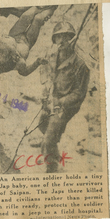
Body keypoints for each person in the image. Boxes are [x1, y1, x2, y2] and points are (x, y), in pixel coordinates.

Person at [37, 21, 90, 173]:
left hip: (67, 105)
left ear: (72, 39)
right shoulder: (52, 56)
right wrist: (46, 88)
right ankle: (51, 143)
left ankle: (52, 165)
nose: (62, 42)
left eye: (66, 38)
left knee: (49, 136)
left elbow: (79, 94)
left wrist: (60, 103)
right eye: (58, 38)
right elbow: (45, 71)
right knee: (42, 124)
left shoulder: (80, 65)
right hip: (53, 99)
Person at [0, 6, 55, 75]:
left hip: (15, 35)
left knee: (26, 15)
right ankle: (53, 8)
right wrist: (37, 62)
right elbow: (24, 72)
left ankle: (41, 6)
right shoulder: (19, 62)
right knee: (38, 18)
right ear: (14, 54)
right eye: (5, 38)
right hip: (28, 40)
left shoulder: (7, 47)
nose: (4, 36)